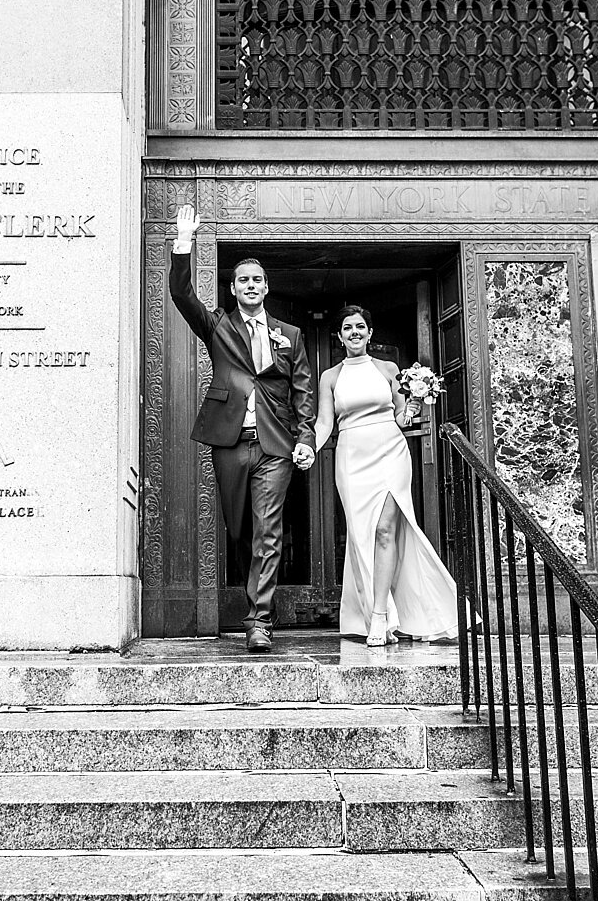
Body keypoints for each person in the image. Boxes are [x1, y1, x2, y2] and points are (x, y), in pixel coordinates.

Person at [169, 204, 316, 653]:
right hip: (231, 443)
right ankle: (253, 599)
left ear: (266, 288)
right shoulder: (217, 325)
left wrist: (306, 439)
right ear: (233, 289)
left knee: (268, 529)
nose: (251, 286)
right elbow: (181, 295)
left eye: (257, 280)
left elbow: (303, 393)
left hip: (275, 445)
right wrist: (183, 243)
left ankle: (259, 621)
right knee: (242, 529)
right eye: (243, 281)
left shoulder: (290, 335)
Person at [312, 304, 459, 646]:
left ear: (370, 332)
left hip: (390, 452)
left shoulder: (389, 368)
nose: (354, 332)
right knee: (362, 535)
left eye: (360, 326)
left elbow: (401, 415)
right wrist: (309, 449)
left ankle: (380, 616)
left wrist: (414, 406)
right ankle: (371, 611)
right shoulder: (330, 377)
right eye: (347, 327)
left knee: (384, 530)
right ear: (339, 336)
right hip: (351, 457)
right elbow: (324, 423)